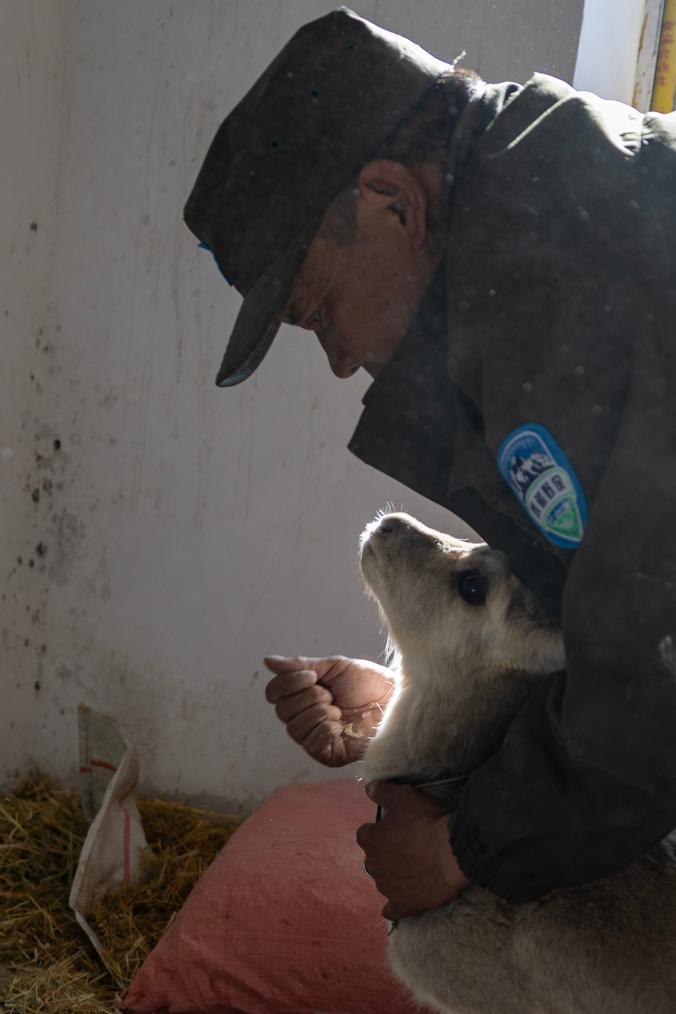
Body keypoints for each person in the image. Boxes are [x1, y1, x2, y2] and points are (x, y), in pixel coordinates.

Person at [184, 8, 676, 920]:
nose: (339, 360)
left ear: (393, 203)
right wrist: (427, 700)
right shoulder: (549, 211)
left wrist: (463, 847)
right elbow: (609, 604)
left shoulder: (578, 286)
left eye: (319, 311)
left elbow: (655, 677)